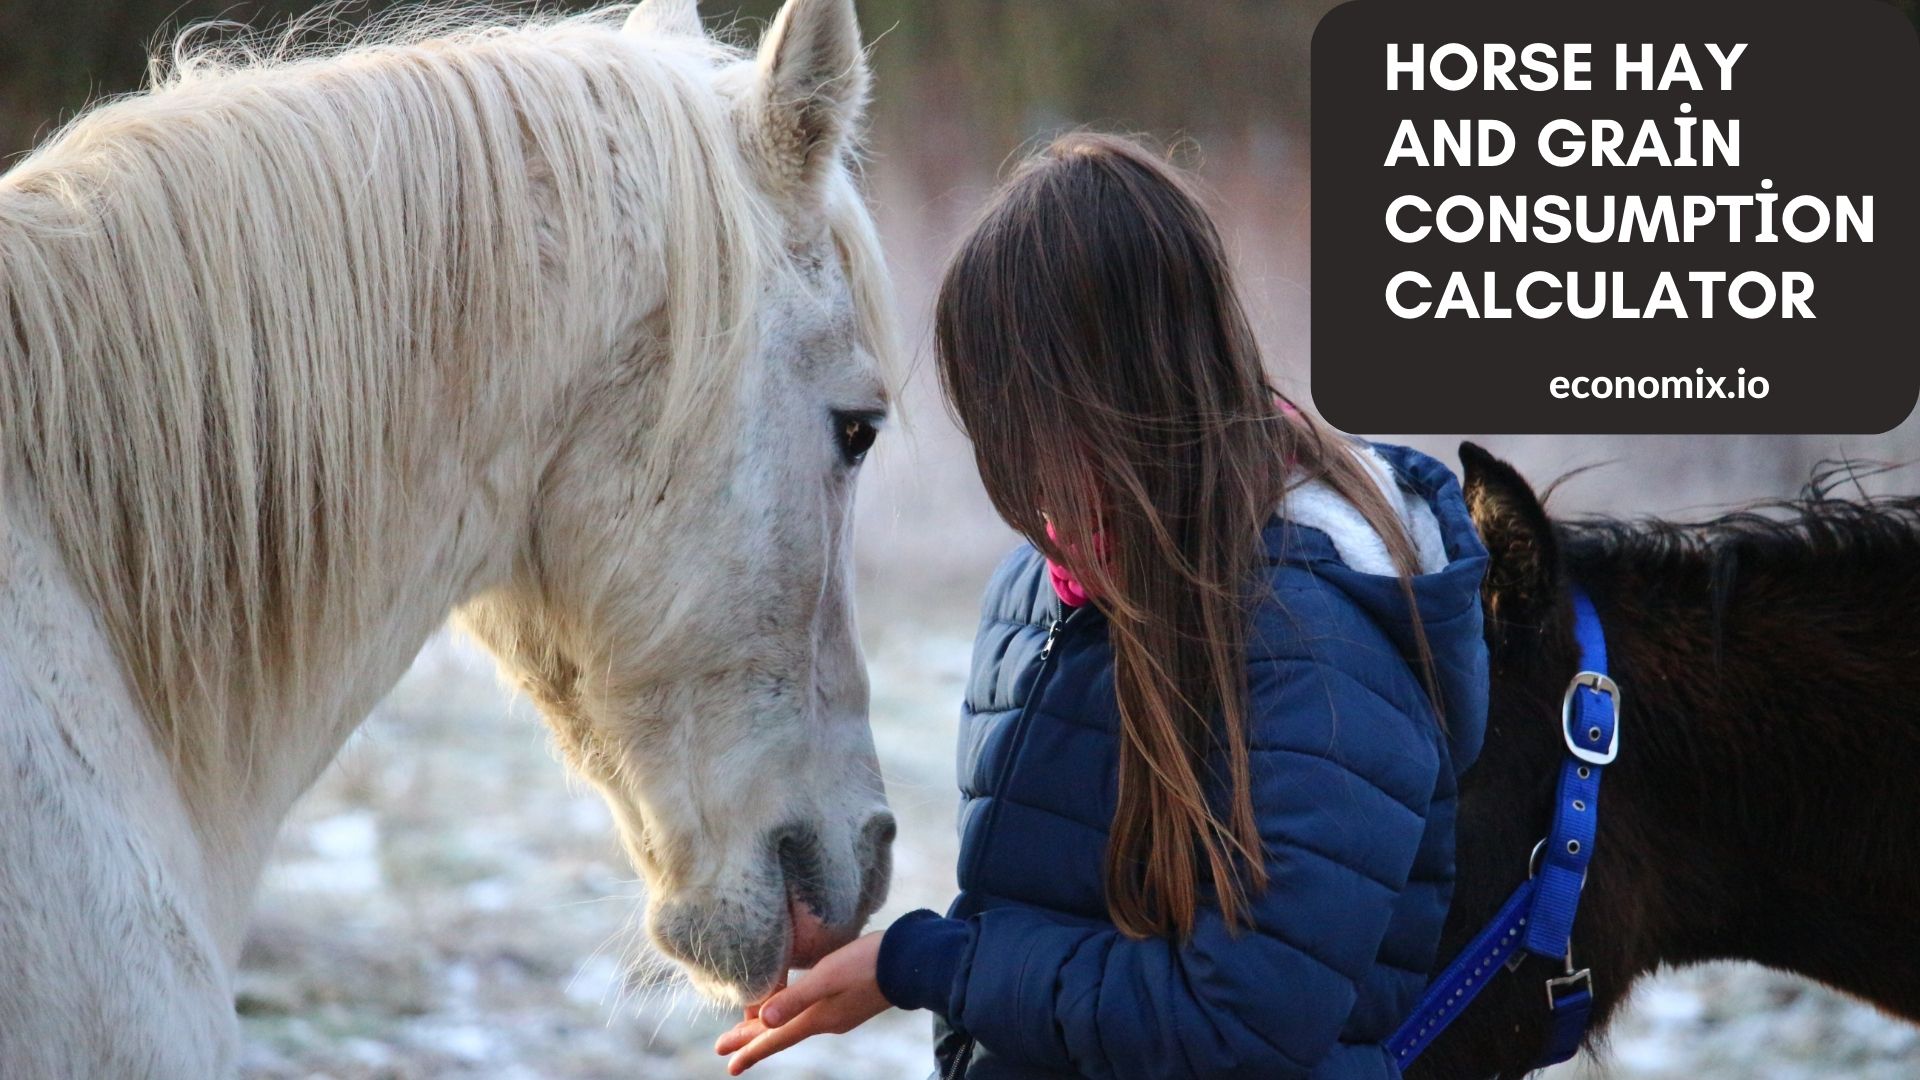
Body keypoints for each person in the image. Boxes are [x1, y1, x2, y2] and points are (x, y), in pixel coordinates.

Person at [715, 132, 1490, 1079]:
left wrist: (923, 963)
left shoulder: (1318, 650)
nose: (1026, 484)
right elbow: (1039, 911)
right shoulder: (1040, 592)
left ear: (1130, 399)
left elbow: (1232, 1026)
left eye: (1036, 426)